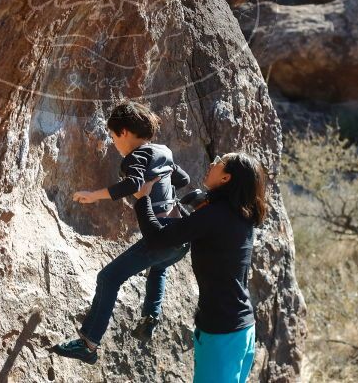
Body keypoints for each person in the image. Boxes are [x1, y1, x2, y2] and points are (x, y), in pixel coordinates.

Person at [51, 101, 191, 364]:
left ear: (124, 132)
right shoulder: (163, 150)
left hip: (161, 233)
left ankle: (88, 344)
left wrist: (95, 195)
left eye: (114, 138)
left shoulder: (137, 156)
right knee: (158, 268)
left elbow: (133, 184)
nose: (115, 144)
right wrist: (162, 180)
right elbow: (183, 180)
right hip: (180, 237)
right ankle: (150, 316)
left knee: (108, 278)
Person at [133, 152, 267, 383]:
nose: (212, 164)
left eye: (219, 162)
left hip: (222, 333)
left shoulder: (214, 215)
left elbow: (157, 238)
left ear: (226, 178)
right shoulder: (241, 215)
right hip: (242, 328)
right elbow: (203, 231)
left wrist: (143, 198)